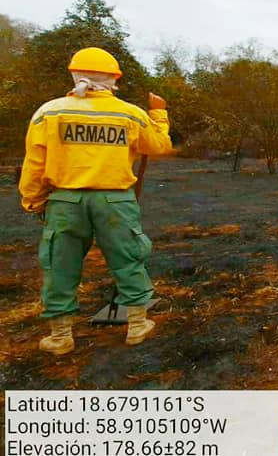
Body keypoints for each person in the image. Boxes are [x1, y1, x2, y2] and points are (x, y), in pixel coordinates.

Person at [19, 48, 172, 355]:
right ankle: (138, 325)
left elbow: (35, 162)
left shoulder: (49, 112)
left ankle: (61, 336)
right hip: (115, 200)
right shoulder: (128, 113)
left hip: (65, 201)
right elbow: (158, 146)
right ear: (114, 79)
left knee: (59, 263)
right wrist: (159, 114)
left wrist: (33, 200)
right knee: (129, 257)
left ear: (74, 75)